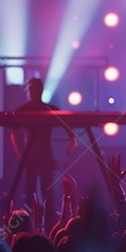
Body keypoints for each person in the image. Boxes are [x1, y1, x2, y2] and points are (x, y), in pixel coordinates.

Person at [10, 77, 75, 224]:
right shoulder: (49, 109)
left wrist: (21, 156)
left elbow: (14, 133)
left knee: (31, 195)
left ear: (30, 91)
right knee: (47, 194)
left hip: (32, 158)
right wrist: (72, 140)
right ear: (41, 90)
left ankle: (30, 226)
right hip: (44, 157)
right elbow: (68, 125)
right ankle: (50, 226)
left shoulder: (24, 109)